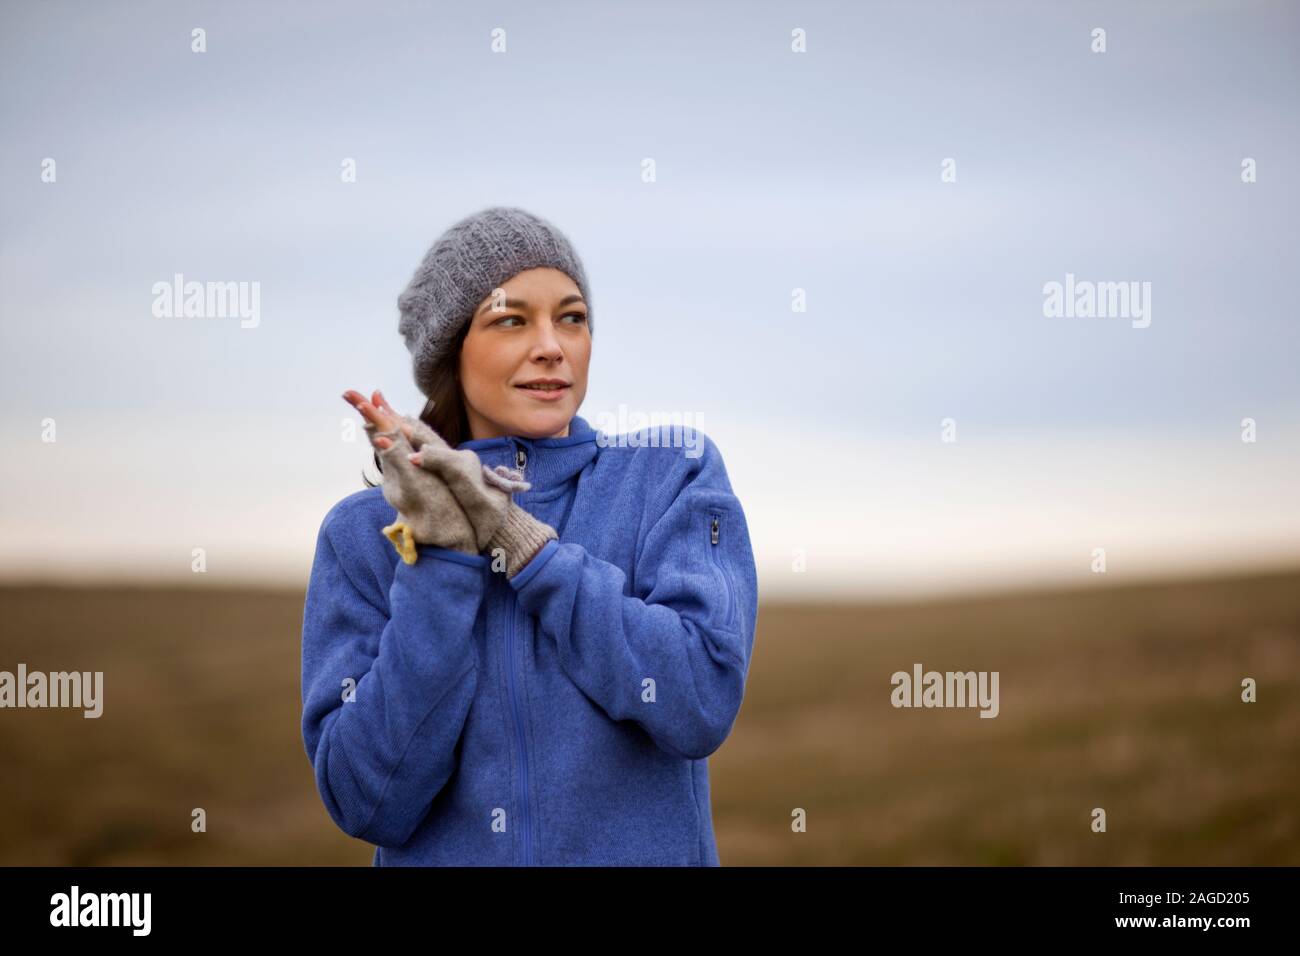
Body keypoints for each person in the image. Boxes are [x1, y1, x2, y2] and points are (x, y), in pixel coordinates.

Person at [300, 206, 758, 866]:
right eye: (512, 320)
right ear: (451, 350)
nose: (553, 345)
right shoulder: (363, 534)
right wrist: (440, 558)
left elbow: (697, 702)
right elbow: (368, 802)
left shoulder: (670, 474)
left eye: (571, 317)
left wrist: (524, 545)